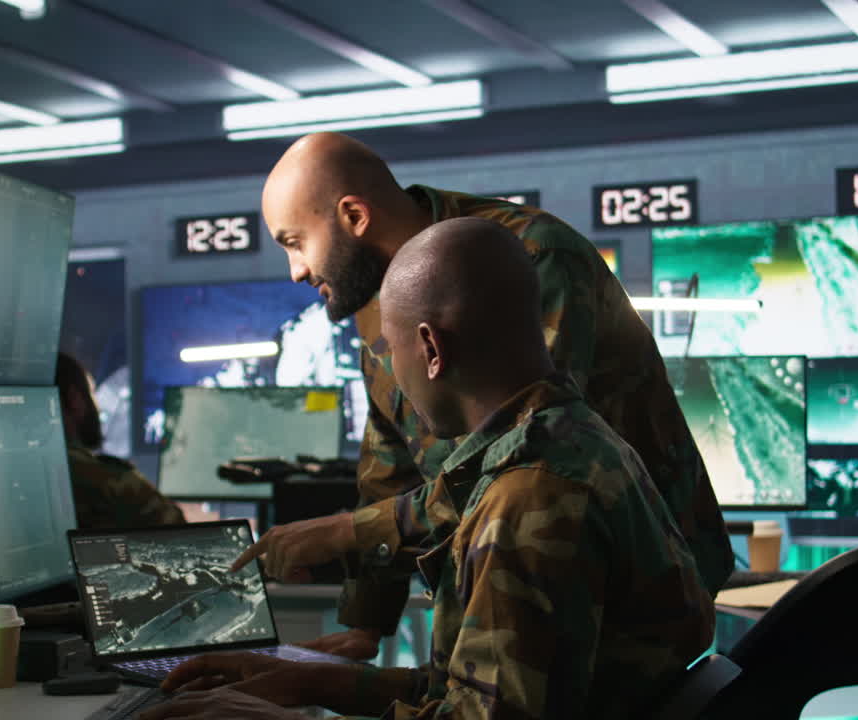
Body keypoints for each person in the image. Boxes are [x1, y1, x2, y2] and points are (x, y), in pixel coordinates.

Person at [142, 218, 715, 720]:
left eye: (391, 351)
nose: (393, 370)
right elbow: (481, 698)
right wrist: (317, 679)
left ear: (432, 349)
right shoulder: (576, 442)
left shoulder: (527, 498)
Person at [256, 132, 730, 659]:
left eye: (294, 241)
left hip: (629, 583)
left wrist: (349, 532)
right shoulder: (377, 293)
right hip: (514, 571)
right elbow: (389, 461)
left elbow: (531, 450)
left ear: (354, 216)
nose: (296, 270)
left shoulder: (529, 259)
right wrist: (366, 621)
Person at [56, 351, 185, 529]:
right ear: (75, 399)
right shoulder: (111, 482)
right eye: (92, 393)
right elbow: (179, 534)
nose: (99, 408)